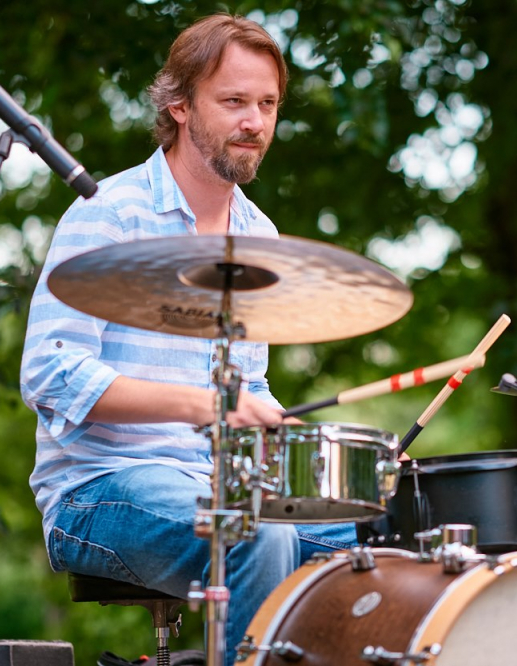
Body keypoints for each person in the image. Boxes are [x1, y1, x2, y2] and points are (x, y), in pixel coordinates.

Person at [20, 14, 355, 666]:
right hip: (97, 491)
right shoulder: (109, 211)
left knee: (381, 537)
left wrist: (287, 434)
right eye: (234, 101)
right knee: (255, 533)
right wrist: (206, 405)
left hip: (218, 485)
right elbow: (52, 373)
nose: (254, 122)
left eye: (267, 104)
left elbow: (248, 383)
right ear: (179, 105)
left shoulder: (260, 236)